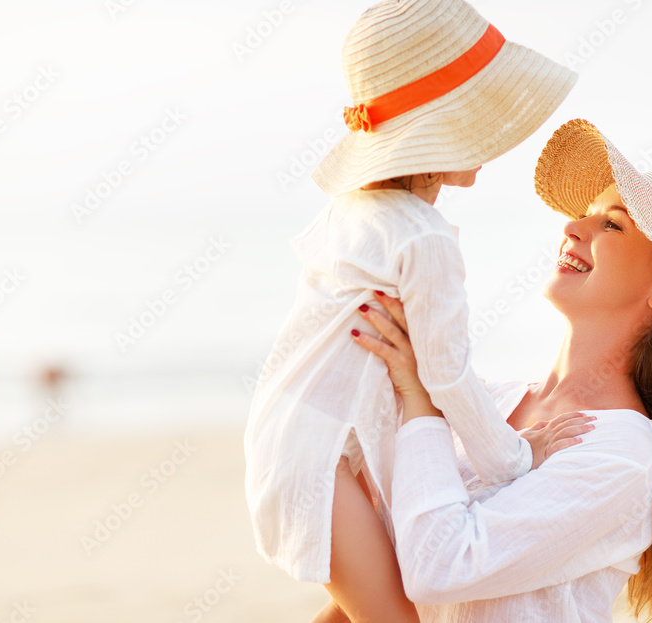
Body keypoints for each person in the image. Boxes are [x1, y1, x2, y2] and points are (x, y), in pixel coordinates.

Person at [243, 1, 578, 620]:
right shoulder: (422, 238)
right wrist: (516, 457)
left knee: (366, 609)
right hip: (324, 454)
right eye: (483, 117)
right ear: (440, 130)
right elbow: (447, 374)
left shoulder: (352, 213)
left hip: (301, 435)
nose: (497, 135)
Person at [349, 118, 652, 622]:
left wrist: (418, 395)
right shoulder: (484, 400)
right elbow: (373, 555)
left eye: (613, 224)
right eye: (586, 215)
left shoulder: (622, 454)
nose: (573, 227)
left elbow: (440, 567)